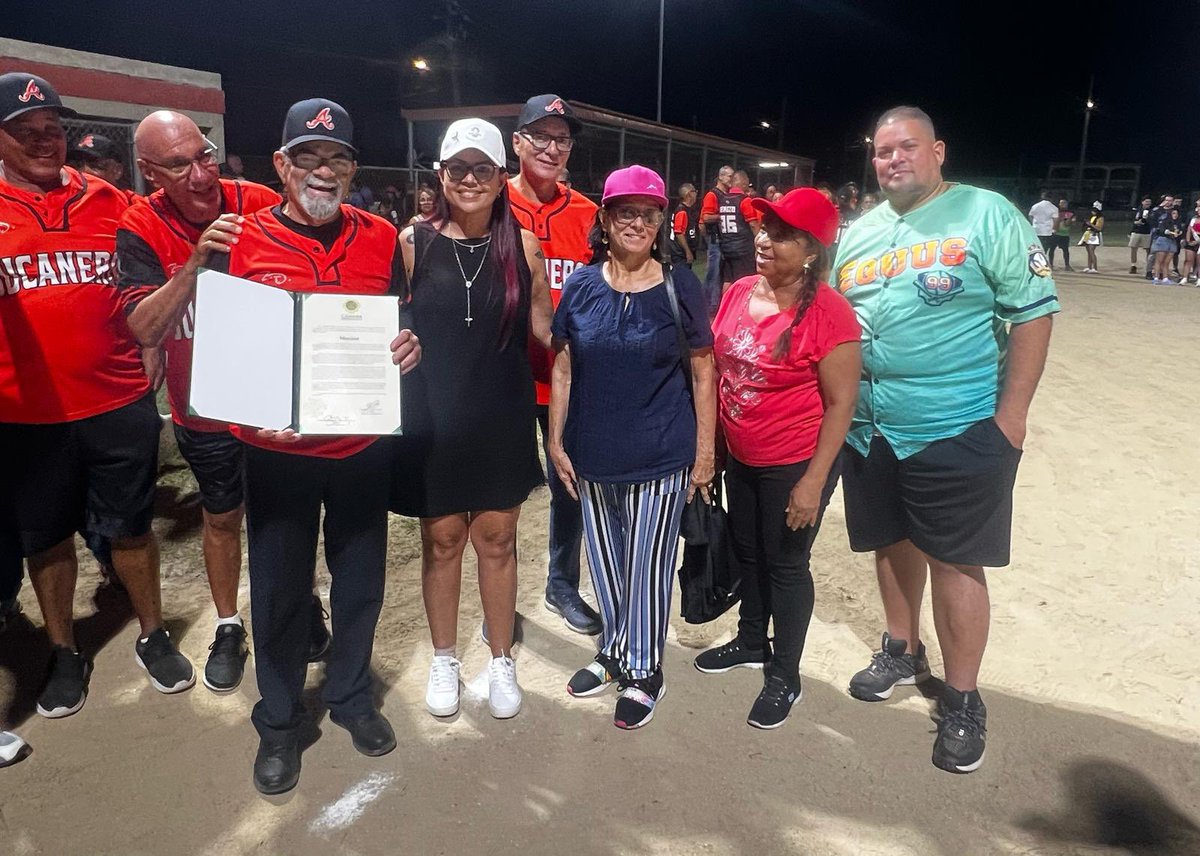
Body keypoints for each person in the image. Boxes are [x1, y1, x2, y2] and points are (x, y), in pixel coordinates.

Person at [835, 106, 1058, 774]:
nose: (893, 159)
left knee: (956, 561)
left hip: (955, 424)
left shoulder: (988, 215)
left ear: (937, 152)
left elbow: (1035, 310)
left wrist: (1011, 415)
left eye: (906, 147)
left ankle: (961, 698)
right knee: (889, 541)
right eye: (881, 151)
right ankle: (902, 650)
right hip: (872, 427)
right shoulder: (860, 233)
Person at [216, 98, 421, 794]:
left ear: (354, 168)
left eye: (337, 157)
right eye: (308, 155)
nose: (323, 170)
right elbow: (223, 350)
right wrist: (249, 408)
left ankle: (351, 698)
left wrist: (406, 345)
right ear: (281, 164)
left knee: (361, 584)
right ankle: (278, 721)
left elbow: (398, 320)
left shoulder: (380, 236)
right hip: (278, 453)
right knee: (279, 593)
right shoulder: (241, 239)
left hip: (361, 446)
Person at [0, 72, 195, 721]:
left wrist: (151, 360)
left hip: (116, 403)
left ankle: (152, 632)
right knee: (47, 539)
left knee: (133, 528)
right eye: (25, 132)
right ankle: (62, 650)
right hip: (27, 414)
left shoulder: (111, 201)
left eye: (51, 129)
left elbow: (145, 288)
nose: (43, 141)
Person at [118, 110, 330, 693]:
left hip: (269, 404)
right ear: (149, 171)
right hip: (203, 406)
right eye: (179, 164)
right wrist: (194, 264)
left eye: (204, 155)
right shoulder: (141, 223)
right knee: (221, 516)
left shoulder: (258, 199)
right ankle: (230, 625)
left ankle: (304, 602)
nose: (199, 174)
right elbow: (144, 327)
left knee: (286, 515)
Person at [390, 118, 551, 722]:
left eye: (484, 168)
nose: (470, 179)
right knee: (443, 540)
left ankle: (502, 657)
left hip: (500, 417)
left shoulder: (524, 245)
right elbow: (388, 322)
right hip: (434, 416)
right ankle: (444, 657)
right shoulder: (411, 242)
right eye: (458, 168)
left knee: (498, 540)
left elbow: (545, 332)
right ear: (441, 174)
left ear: (501, 175)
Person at [549, 165, 716, 730]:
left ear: (661, 222)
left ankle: (645, 671)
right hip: (593, 452)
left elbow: (702, 369)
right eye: (626, 211)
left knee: (646, 565)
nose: (637, 222)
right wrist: (555, 439)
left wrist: (705, 453)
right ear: (606, 218)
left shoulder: (678, 284)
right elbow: (565, 365)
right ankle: (616, 650)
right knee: (607, 564)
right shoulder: (580, 285)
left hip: (662, 453)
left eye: (649, 213)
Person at [693, 189, 860, 730]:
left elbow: (841, 406)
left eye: (782, 234)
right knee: (747, 552)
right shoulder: (740, 290)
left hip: (795, 460)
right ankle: (749, 640)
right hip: (742, 454)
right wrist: (713, 447)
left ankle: (785, 674)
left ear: (811, 250)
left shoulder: (830, 313)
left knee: (786, 564)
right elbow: (720, 370)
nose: (763, 240)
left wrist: (812, 482)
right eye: (764, 229)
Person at [506, 94, 603, 635]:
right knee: (501, 494)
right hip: (502, 375)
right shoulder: (489, 202)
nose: (550, 147)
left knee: (570, 484)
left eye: (561, 139)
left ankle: (562, 585)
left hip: (565, 376)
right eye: (539, 136)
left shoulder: (588, 215)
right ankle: (500, 597)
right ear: (517, 142)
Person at [702, 167, 761, 294]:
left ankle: (725, 305)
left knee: (728, 280)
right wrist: (758, 241)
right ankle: (741, 307)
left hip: (727, 247)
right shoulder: (744, 201)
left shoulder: (722, 201)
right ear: (744, 184)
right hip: (743, 249)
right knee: (746, 280)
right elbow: (753, 225)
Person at [698, 165, 732, 316]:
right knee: (713, 273)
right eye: (729, 176)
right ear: (721, 177)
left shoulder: (725, 194)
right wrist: (722, 215)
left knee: (719, 273)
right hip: (715, 240)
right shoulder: (712, 195)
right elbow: (705, 218)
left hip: (722, 239)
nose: (731, 179)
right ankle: (705, 306)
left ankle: (714, 304)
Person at [670, 182, 700, 270]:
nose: (696, 193)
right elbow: (679, 234)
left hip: (682, 252)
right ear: (689, 194)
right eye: (694, 191)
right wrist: (687, 252)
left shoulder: (688, 210)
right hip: (680, 253)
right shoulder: (682, 211)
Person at [1151, 206, 1183, 284]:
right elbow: (1161, 229)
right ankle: (1156, 277)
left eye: (1177, 213)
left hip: (1172, 242)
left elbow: (1180, 232)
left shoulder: (1178, 223)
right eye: (1173, 213)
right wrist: (1166, 231)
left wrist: (1180, 233)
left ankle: (1165, 278)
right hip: (1163, 240)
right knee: (1159, 260)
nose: (1175, 215)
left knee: (1167, 262)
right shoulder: (1165, 221)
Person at [1027, 190, 1059, 260]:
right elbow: (1056, 220)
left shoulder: (1035, 206)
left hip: (1036, 229)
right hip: (1047, 231)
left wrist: (1034, 223)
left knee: (1037, 248)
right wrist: (1054, 229)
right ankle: (1043, 261)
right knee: (1045, 248)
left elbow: (1030, 215)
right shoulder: (1053, 208)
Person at [1129, 196, 1153, 274]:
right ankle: (1133, 265)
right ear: (1142, 202)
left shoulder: (1152, 211)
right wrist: (1136, 223)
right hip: (1136, 231)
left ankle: (1148, 266)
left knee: (1148, 250)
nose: (1148, 203)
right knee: (1133, 248)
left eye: (1149, 202)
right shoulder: (1137, 210)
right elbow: (1133, 219)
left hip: (1146, 232)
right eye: (1146, 201)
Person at [1048, 198, 1074, 271]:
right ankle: (1051, 264)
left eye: (1064, 203)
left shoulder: (1071, 213)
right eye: (1061, 203)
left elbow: (1069, 224)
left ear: (1067, 204)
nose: (1062, 205)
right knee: (1052, 249)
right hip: (1055, 233)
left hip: (1065, 234)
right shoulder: (1056, 211)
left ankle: (1067, 265)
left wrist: (1068, 220)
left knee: (1065, 250)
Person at [1079, 201, 1103, 273]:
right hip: (1088, 234)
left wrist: (1090, 224)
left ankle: (1095, 268)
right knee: (1089, 251)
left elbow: (1099, 228)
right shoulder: (1093, 217)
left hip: (1094, 235)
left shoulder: (1100, 218)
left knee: (1091, 251)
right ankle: (1089, 267)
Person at [1182, 201, 1200, 285]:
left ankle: (1199, 279)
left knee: (1199, 262)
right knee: (1188, 260)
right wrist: (1188, 241)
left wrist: (1197, 241)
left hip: (1198, 242)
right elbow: (1188, 229)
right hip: (1191, 242)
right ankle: (1185, 278)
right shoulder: (1193, 218)